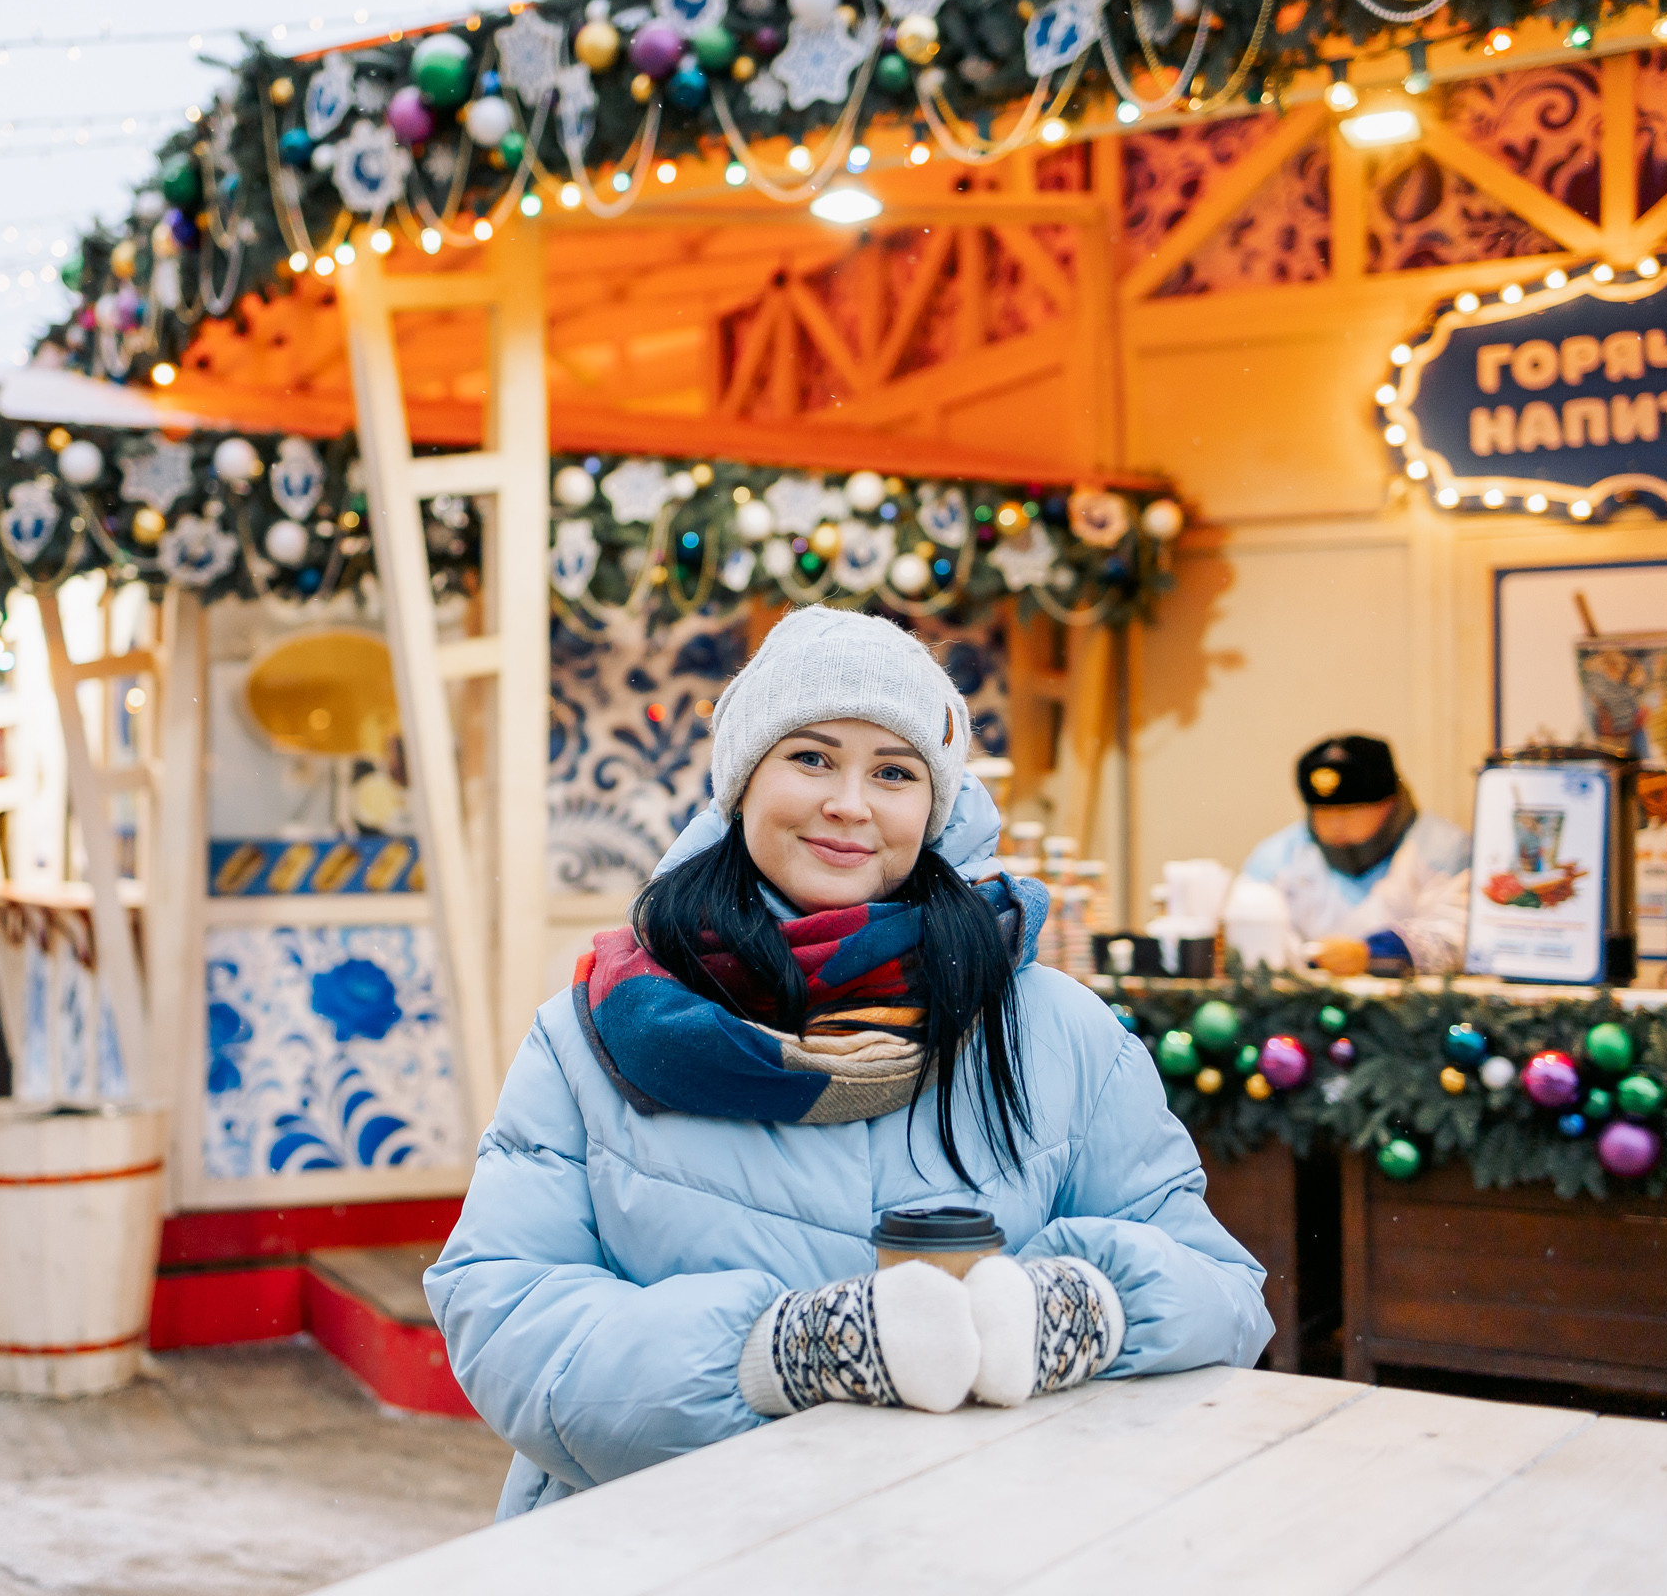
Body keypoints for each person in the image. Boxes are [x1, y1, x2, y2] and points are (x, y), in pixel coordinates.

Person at [427, 607, 1273, 1521]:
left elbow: (1222, 1291)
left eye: (895, 772)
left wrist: (1076, 1310)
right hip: (660, 1546)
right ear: (744, 779)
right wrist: (774, 1356)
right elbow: (506, 1315)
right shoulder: (597, 1031)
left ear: (933, 807)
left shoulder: (1054, 1029)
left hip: (980, 1541)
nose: (850, 804)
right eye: (813, 757)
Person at [1241, 734, 1470, 976]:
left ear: (1390, 803)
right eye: (1322, 812)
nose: (1334, 824)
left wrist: (1375, 953)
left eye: (1350, 811)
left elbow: (1461, 932)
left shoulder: (1445, 849)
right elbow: (1249, 927)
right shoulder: (1276, 857)